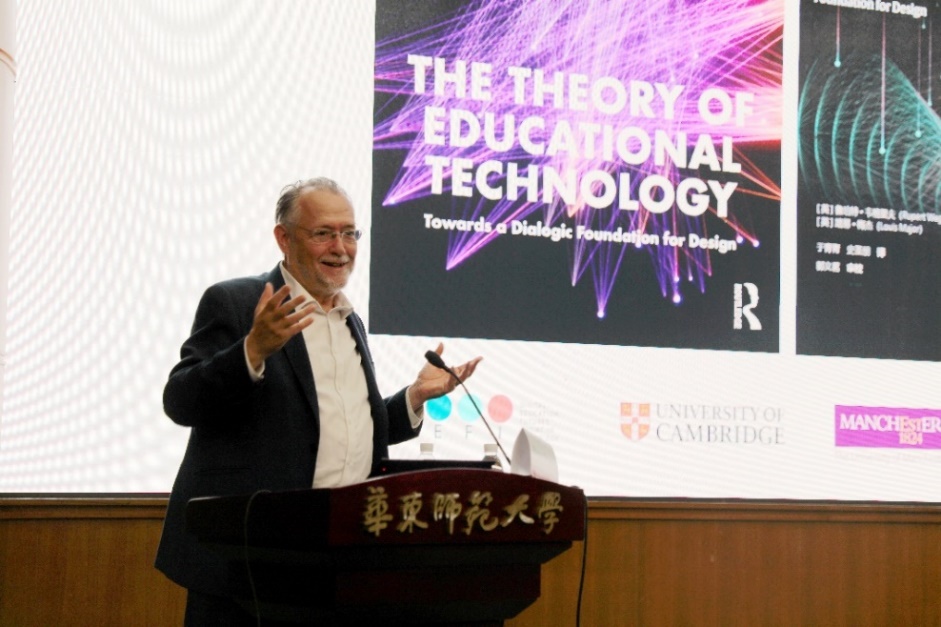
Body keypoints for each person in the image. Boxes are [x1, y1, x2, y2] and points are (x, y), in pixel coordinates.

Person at [155, 177, 481, 625]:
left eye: (349, 233)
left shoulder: (350, 322)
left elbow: (339, 426)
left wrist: (414, 397)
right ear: (284, 238)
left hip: (335, 555)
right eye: (323, 233)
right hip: (247, 558)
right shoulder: (237, 301)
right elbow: (180, 400)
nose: (340, 248)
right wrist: (252, 350)